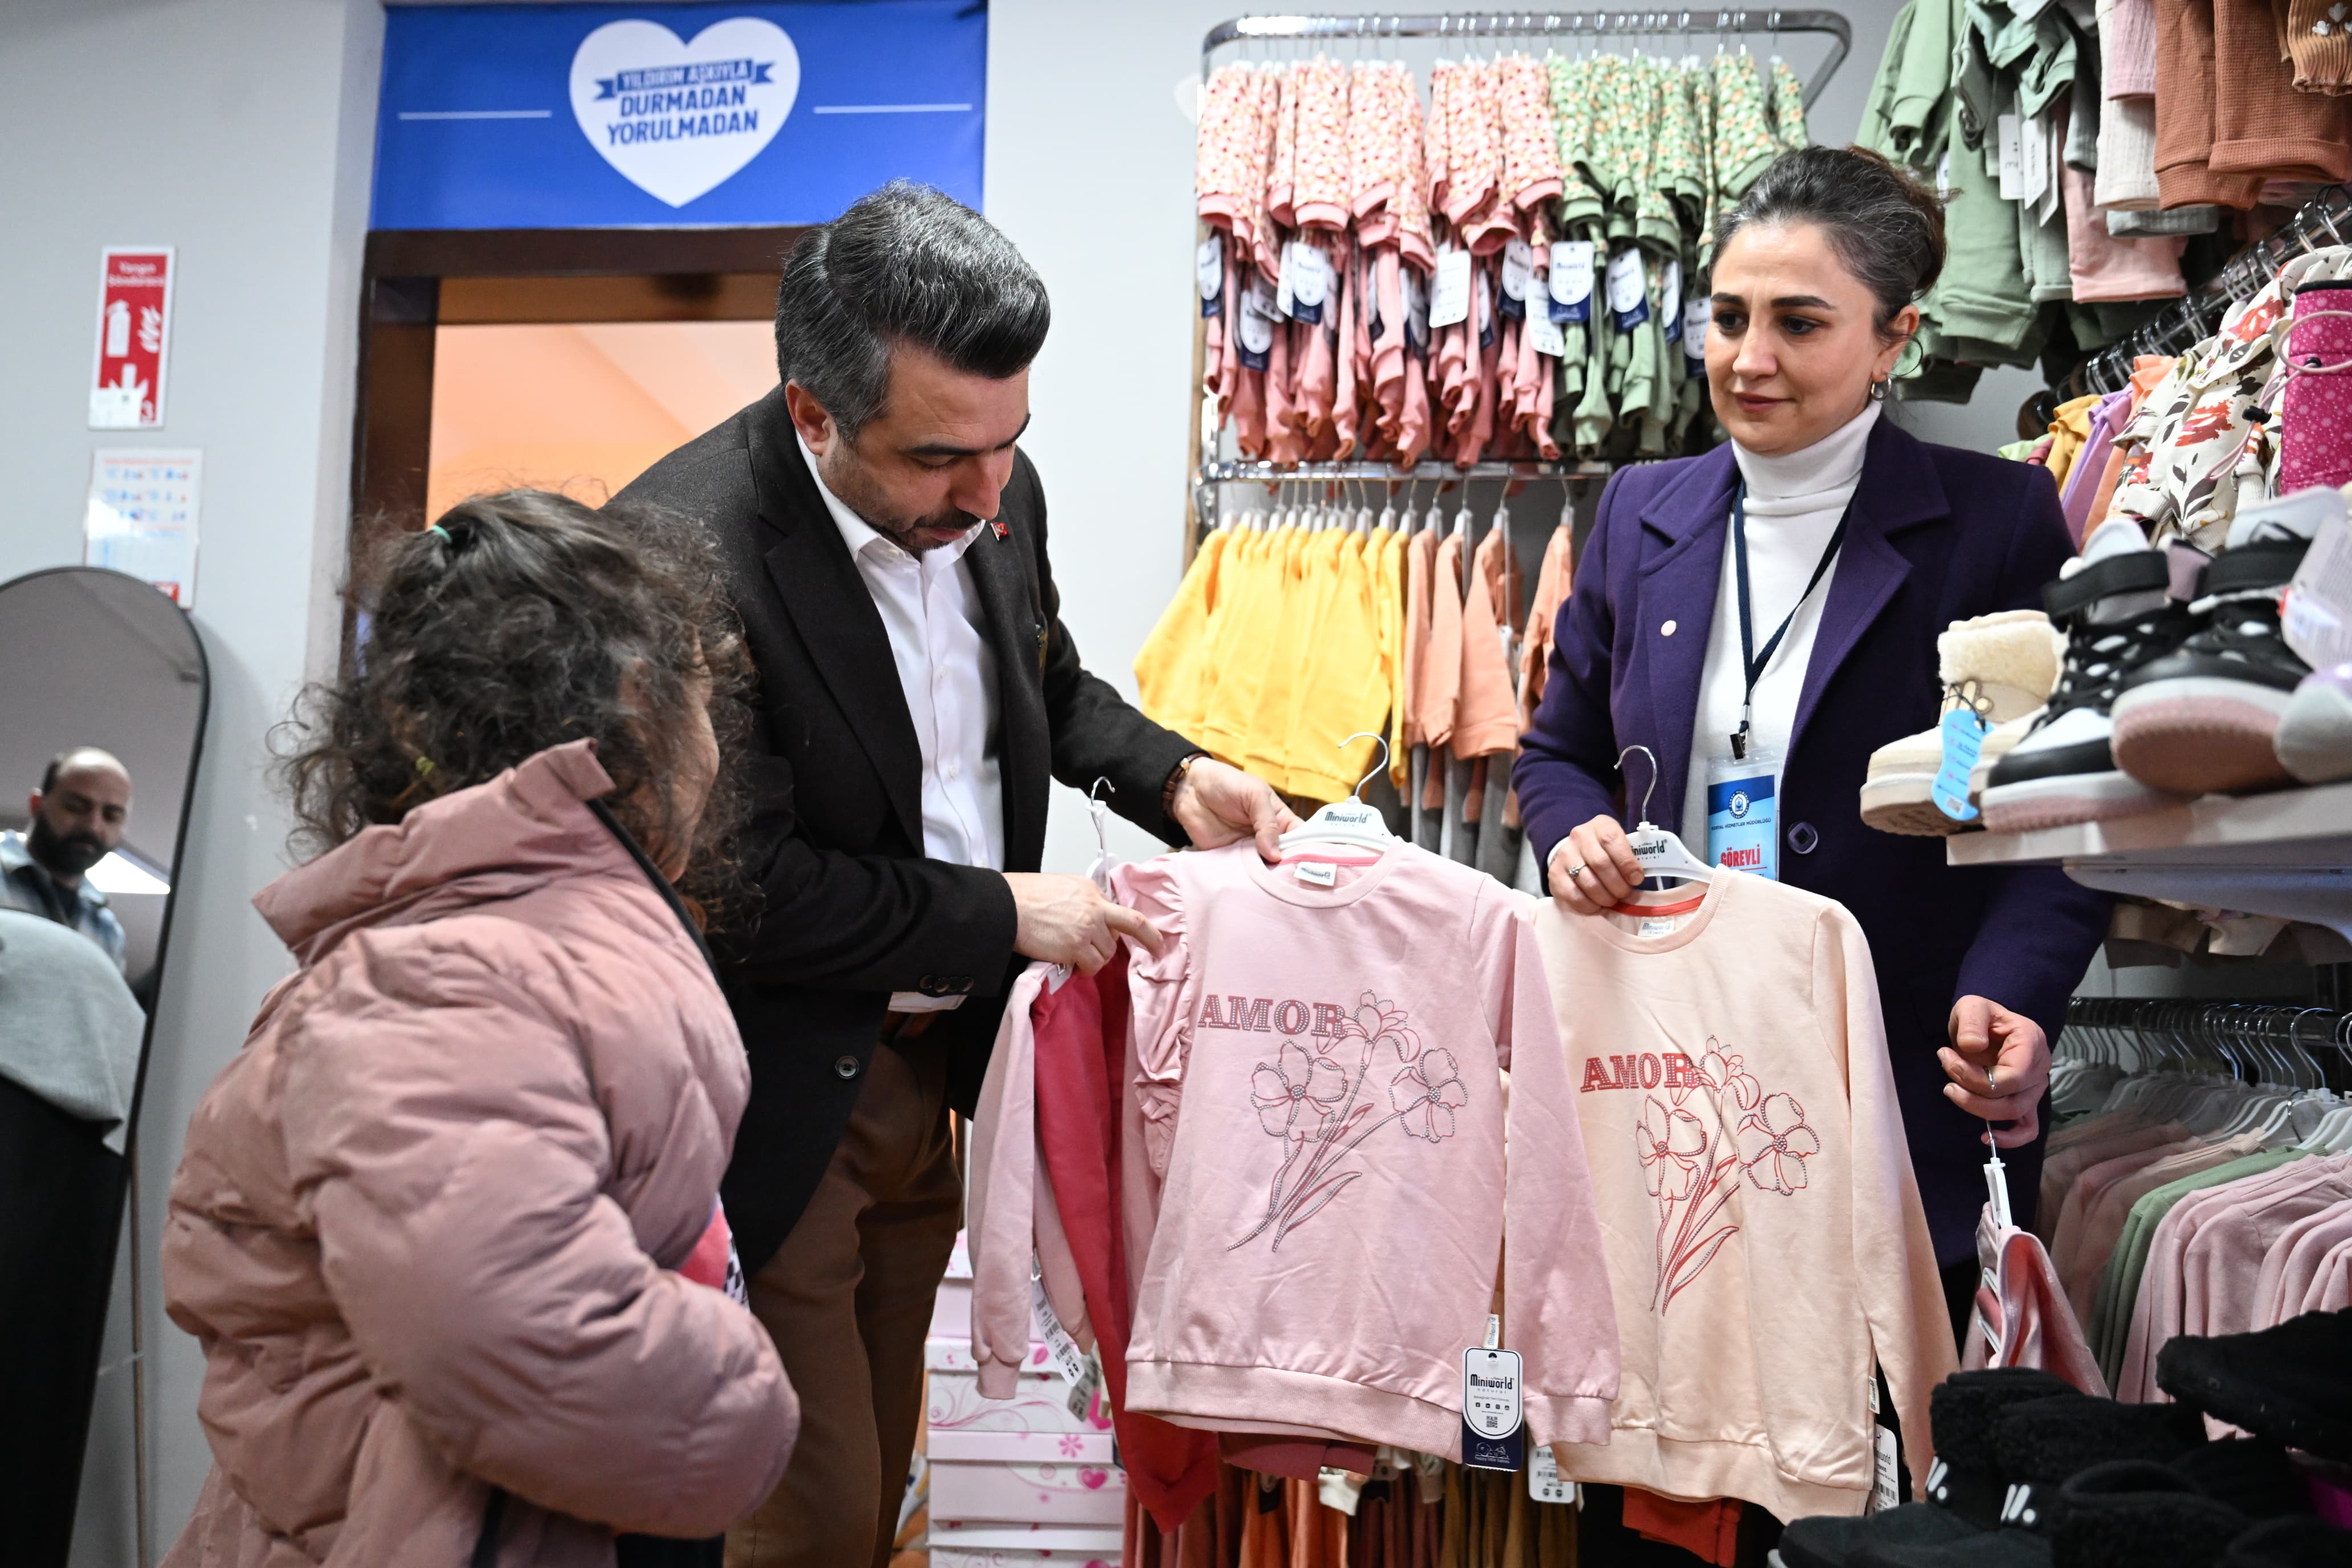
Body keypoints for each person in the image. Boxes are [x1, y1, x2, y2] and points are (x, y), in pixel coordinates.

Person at [614, 181, 1296, 1568]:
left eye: (1008, 444)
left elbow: (1041, 683)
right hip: (772, 1094)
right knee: (798, 1514)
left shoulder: (992, 487)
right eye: (940, 459)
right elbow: (743, 881)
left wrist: (1173, 779)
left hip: (935, 1076)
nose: (987, 493)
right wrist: (1005, 917)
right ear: (813, 413)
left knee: (877, 1487)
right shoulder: (682, 549)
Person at [1514, 147, 2112, 1333]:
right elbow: (1557, 752)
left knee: (1880, 1424)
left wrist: (2013, 991)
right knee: (1663, 1412)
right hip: (1662, 1059)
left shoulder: (1992, 521)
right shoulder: (1638, 512)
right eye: (1728, 317)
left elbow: (2060, 794)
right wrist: (1573, 831)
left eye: (1798, 323)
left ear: (1894, 338)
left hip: (1897, 1066)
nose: (1749, 358)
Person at [159, 493, 798, 1568]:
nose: (716, 750)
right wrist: (754, 1400)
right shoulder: (450, 984)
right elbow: (510, 1325)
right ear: (637, 706)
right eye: (701, 701)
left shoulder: (511, 945)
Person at [1, 748, 131, 968]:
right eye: (76, 807)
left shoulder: (106, 932)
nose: (93, 826)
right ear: (36, 805)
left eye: (111, 816)